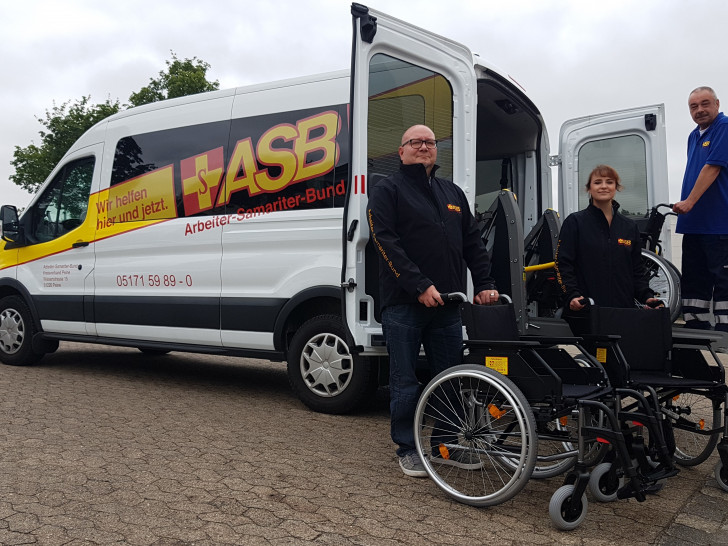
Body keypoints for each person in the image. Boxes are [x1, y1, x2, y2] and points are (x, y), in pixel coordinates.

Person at [367, 124, 499, 477]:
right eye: (415, 142)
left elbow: (473, 242)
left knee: (450, 377)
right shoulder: (387, 190)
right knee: (405, 380)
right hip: (404, 305)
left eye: (430, 142)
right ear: (402, 151)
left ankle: (444, 445)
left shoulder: (451, 192)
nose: (424, 147)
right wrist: (419, 286)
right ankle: (408, 448)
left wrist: (485, 282)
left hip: (449, 305)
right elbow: (385, 242)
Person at [554, 164, 662, 311]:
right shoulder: (575, 222)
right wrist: (571, 295)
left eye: (609, 182)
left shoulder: (629, 226)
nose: (603, 186)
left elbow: (637, 270)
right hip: (586, 310)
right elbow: (563, 264)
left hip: (624, 312)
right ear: (589, 188)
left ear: (616, 187)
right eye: (597, 182)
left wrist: (646, 296)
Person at [673, 86, 728, 332]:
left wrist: (689, 202)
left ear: (717, 103)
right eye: (694, 107)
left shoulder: (724, 128)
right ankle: (697, 326)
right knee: (695, 278)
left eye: (705, 104)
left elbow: (712, 168)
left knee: (722, 278)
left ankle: (725, 331)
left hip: (718, 223)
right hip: (693, 223)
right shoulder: (693, 135)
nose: (700, 110)